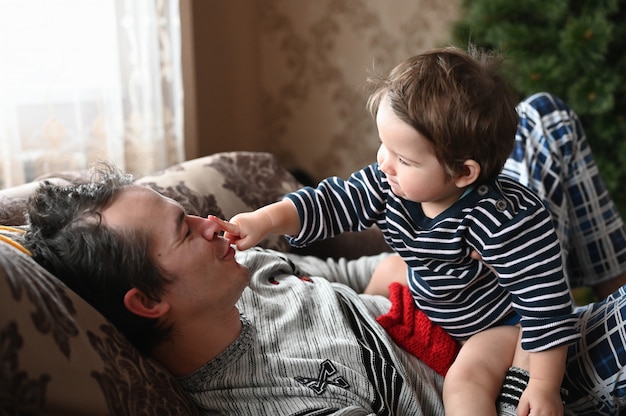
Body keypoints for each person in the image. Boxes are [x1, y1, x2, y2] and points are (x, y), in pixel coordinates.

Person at [21, 100, 626, 414]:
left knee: (543, 119)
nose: (213, 223)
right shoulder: (263, 401)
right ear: (148, 301)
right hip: (510, 386)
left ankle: (598, 291)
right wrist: (523, 357)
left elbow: (367, 272)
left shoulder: (248, 275)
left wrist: (460, 263)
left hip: (476, 298)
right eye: (185, 230)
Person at [211, 47, 578, 416]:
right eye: (384, 145)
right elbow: (330, 202)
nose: (383, 162)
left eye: (404, 159)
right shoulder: (390, 184)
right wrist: (264, 220)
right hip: (441, 299)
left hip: (498, 323)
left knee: (464, 382)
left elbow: (546, 302)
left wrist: (544, 387)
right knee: (386, 274)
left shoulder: (500, 219)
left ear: (463, 173)